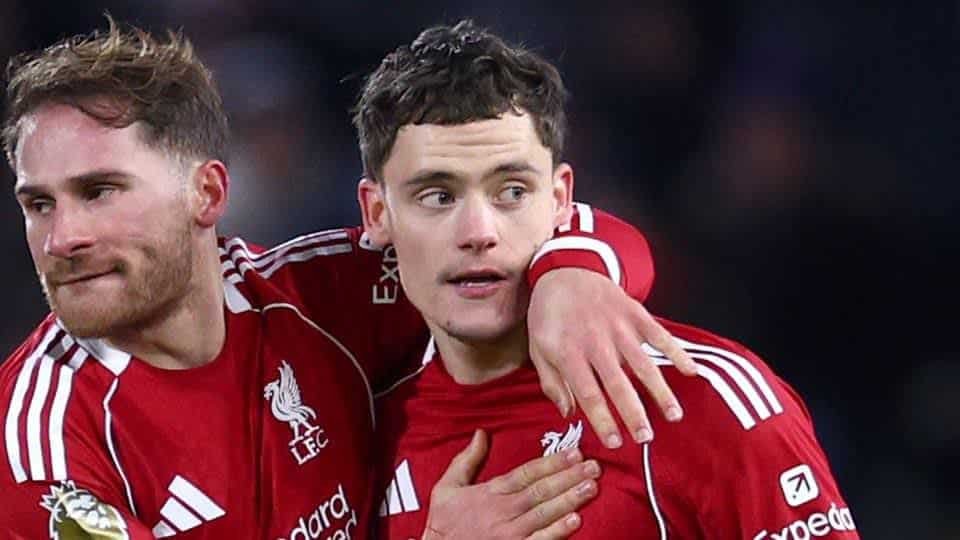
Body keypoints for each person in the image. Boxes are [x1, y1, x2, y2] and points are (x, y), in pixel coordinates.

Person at [0, 18, 696, 539]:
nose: (63, 239)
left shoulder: (317, 297)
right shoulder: (44, 442)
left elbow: (507, 239)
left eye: (100, 192)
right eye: (39, 203)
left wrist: (568, 275)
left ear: (207, 196)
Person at [359, 20, 860, 540]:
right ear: (377, 214)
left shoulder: (701, 400)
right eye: (438, 196)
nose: (478, 233)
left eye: (511, 191)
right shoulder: (355, 435)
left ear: (560, 202)